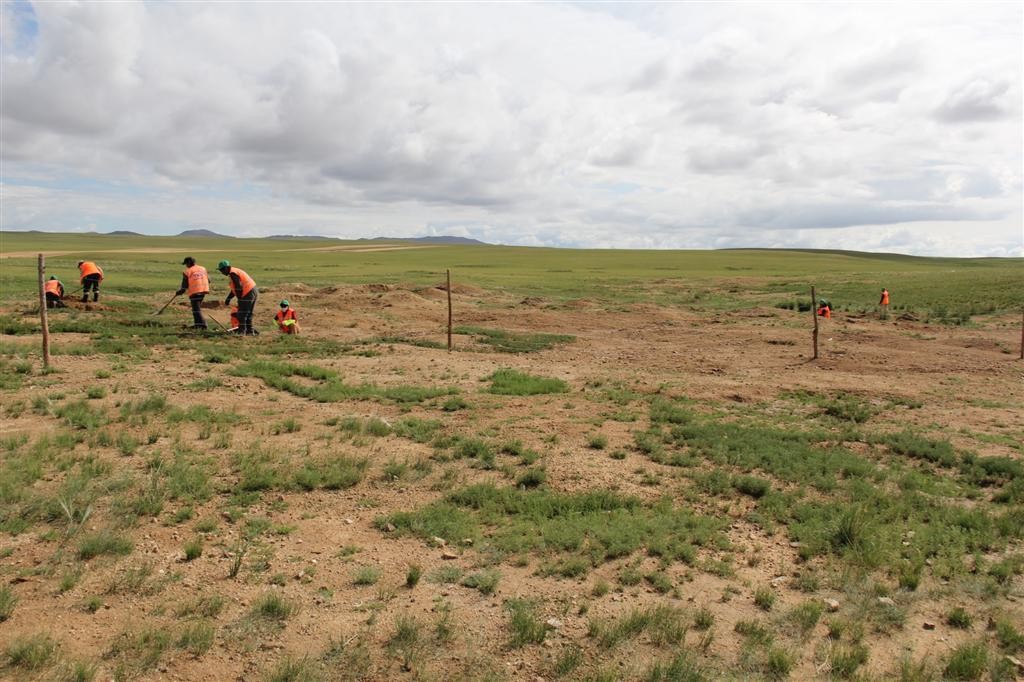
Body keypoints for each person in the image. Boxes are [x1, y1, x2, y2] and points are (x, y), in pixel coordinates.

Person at [218, 260, 258, 335]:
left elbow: (238, 287)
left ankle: (242, 332)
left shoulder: (233, 273)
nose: (222, 273)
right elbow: (234, 288)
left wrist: (240, 300)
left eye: (222, 270)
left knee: (241, 314)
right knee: (248, 313)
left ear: (226, 268)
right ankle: (249, 331)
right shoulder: (234, 272)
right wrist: (228, 298)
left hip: (248, 292)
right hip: (253, 290)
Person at [176, 257, 210, 329]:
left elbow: (184, 287)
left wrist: (179, 292)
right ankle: (197, 324)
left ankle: (203, 325)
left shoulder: (187, 271)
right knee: (196, 308)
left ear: (189, 263)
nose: (186, 266)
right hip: (204, 290)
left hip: (195, 291)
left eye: (186, 264)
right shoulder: (203, 268)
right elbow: (209, 280)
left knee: (196, 309)